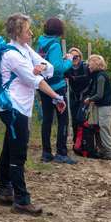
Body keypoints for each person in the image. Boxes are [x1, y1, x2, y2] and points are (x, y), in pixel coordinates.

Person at [0, 13, 67, 216]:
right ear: (18, 33)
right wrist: (56, 97)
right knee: (18, 154)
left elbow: (49, 68)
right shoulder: (12, 55)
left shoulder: (25, 49)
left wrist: (41, 67)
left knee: (9, 148)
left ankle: (4, 191)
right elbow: (35, 81)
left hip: (19, 107)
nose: (31, 33)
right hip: (14, 108)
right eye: (27, 30)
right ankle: (21, 200)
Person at [36, 18, 77, 164]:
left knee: (47, 120)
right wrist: (69, 60)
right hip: (57, 87)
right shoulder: (55, 44)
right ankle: (61, 152)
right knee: (63, 119)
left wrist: (60, 60)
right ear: (59, 30)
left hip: (43, 86)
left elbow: (45, 63)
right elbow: (58, 68)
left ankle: (46, 153)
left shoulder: (40, 43)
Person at [83, 55, 111, 160]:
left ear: (96, 63)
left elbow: (99, 94)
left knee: (104, 128)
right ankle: (102, 150)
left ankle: (110, 151)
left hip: (105, 107)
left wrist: (89, 99)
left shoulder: (101, 76)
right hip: (100, 106)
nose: (88, 66)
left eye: (90, 63)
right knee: (98, 128)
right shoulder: (97, 75)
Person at [64, 47, 91, 139]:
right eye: (72, 56)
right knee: (74, 120)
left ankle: (85, 141)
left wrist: (72, 78)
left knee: (81, 118)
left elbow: (86, 78)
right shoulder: (67, 67)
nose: (75, 58)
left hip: (85, 96)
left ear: (80, 57)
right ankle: (77, 143)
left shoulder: (85, 66)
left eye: (77, 56)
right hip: (73, 96)